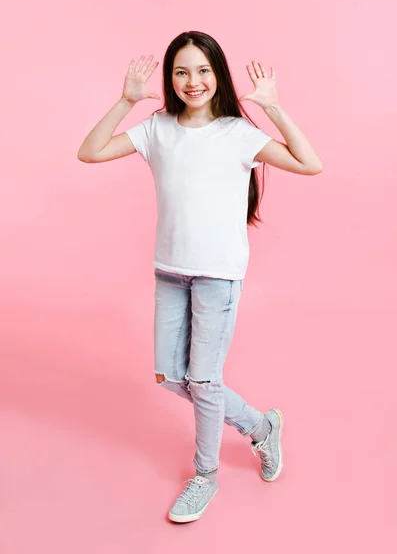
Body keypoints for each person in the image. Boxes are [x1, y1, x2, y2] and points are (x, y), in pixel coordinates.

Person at [77, 30, 323, 523]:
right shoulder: (157, 128)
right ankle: (260, 426)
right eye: (182, 71)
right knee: (172, 376)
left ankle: (204, 477)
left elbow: (309, 163)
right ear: (170, 78)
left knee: (205, 379)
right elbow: (91, 151)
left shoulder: (237, 133)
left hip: (217, 275)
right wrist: (126, 100)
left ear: (218, 75)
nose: (193, 81)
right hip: (170, 271)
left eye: (203, 70)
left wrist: (273, 108)